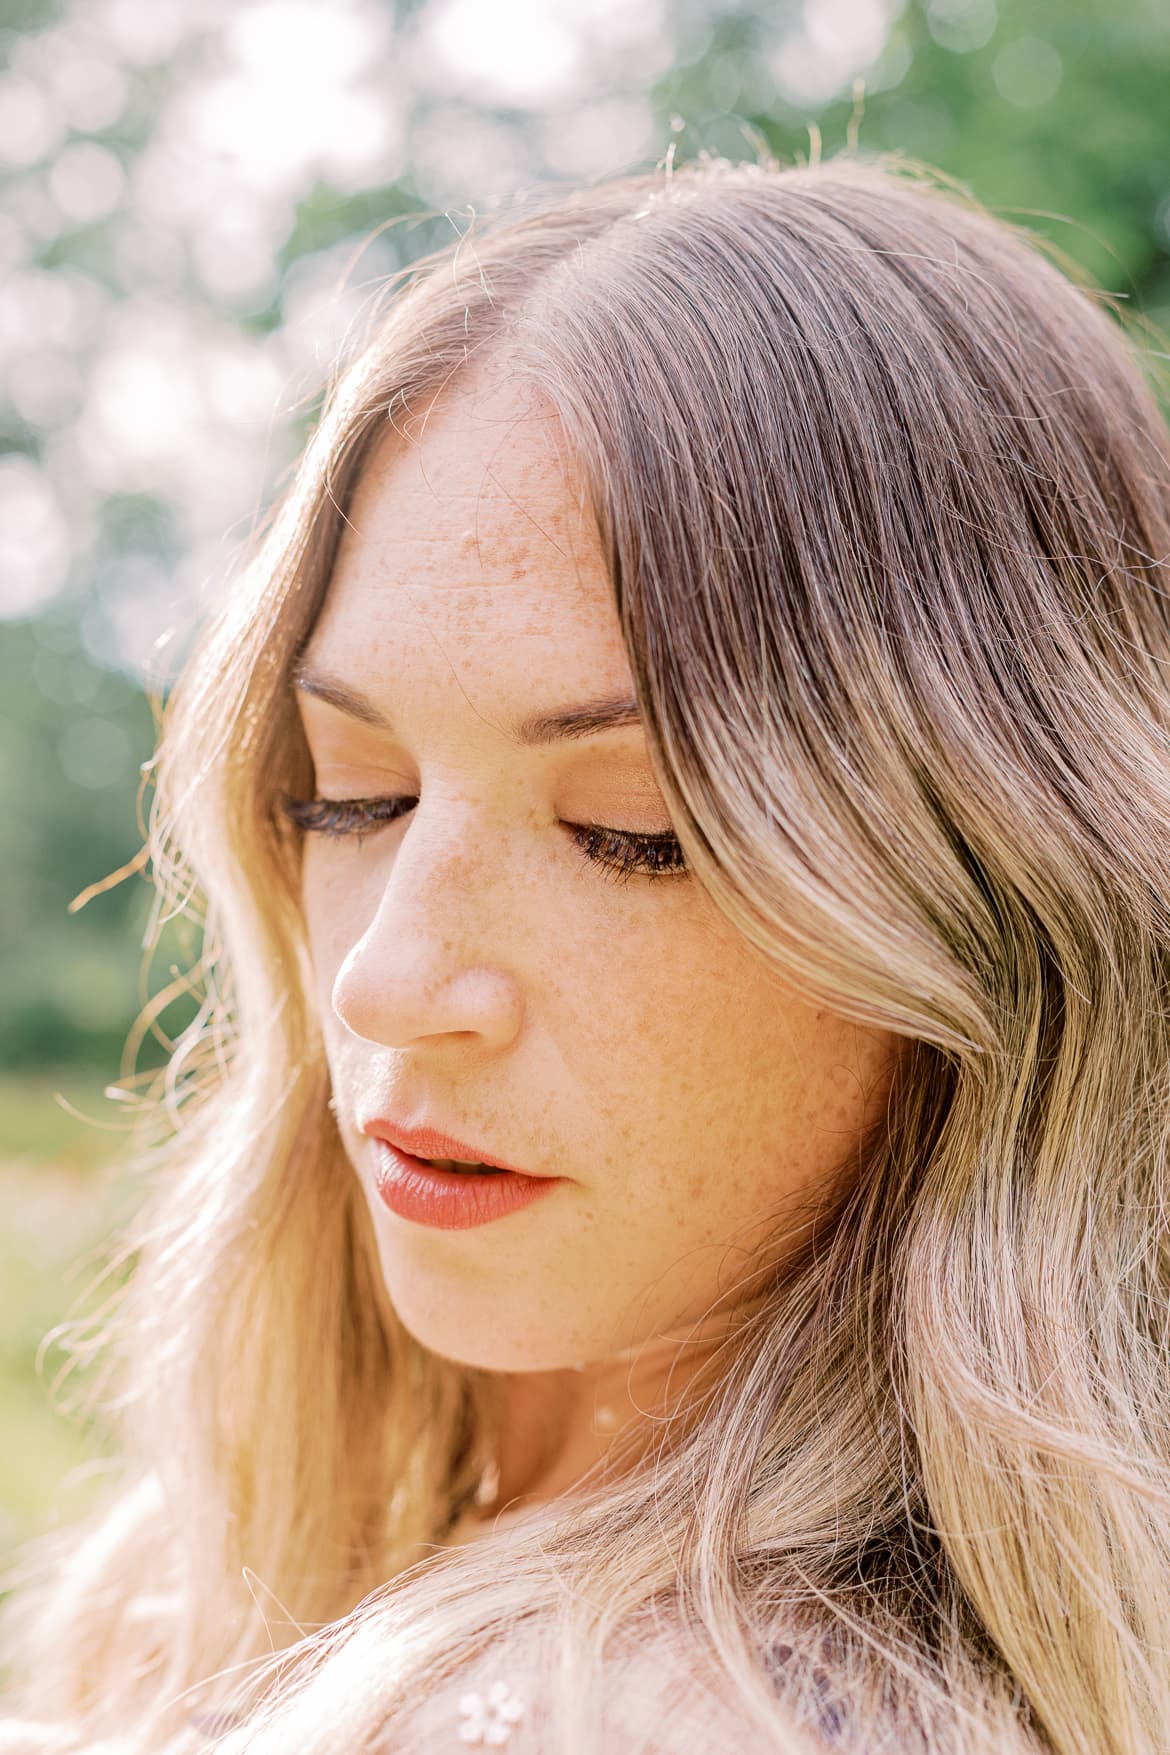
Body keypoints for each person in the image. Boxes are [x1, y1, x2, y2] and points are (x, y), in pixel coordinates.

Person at [2, 148, 1169, 1755]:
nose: (389, 980)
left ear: (990, 914)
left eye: (633, 832)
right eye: (356, 795)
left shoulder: (654, 1715)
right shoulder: (242, 1573)